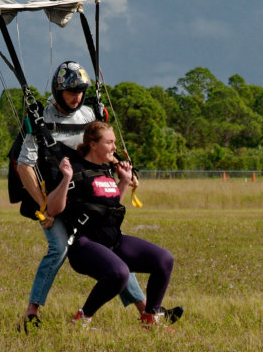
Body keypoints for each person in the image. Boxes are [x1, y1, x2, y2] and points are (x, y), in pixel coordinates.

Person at [13, 61, 143, 330]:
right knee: (59, 248)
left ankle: (147, 312)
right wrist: (43, 206)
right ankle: (31, 313)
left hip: (86, 201)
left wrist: (124, 171)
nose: (77, 97)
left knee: (111, 245)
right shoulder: (41, 119)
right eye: (71, 92)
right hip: (56, 200)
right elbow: (24, 165)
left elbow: (103, 150)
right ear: (59, 91)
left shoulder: (89, 115)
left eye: (81, 91)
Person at [45, 120, 179, 328]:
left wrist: (124, 181)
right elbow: (53, 209)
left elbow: (112, 205)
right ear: (93, 144)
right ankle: (82, 319)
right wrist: (66, 179)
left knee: (164, 260)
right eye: (109, 142)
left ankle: (150, 318)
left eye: (114, 142)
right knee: (119, 273)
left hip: (113, 240)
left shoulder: (106, 170)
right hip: (85, 245)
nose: (115, 147)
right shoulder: (76, 171)